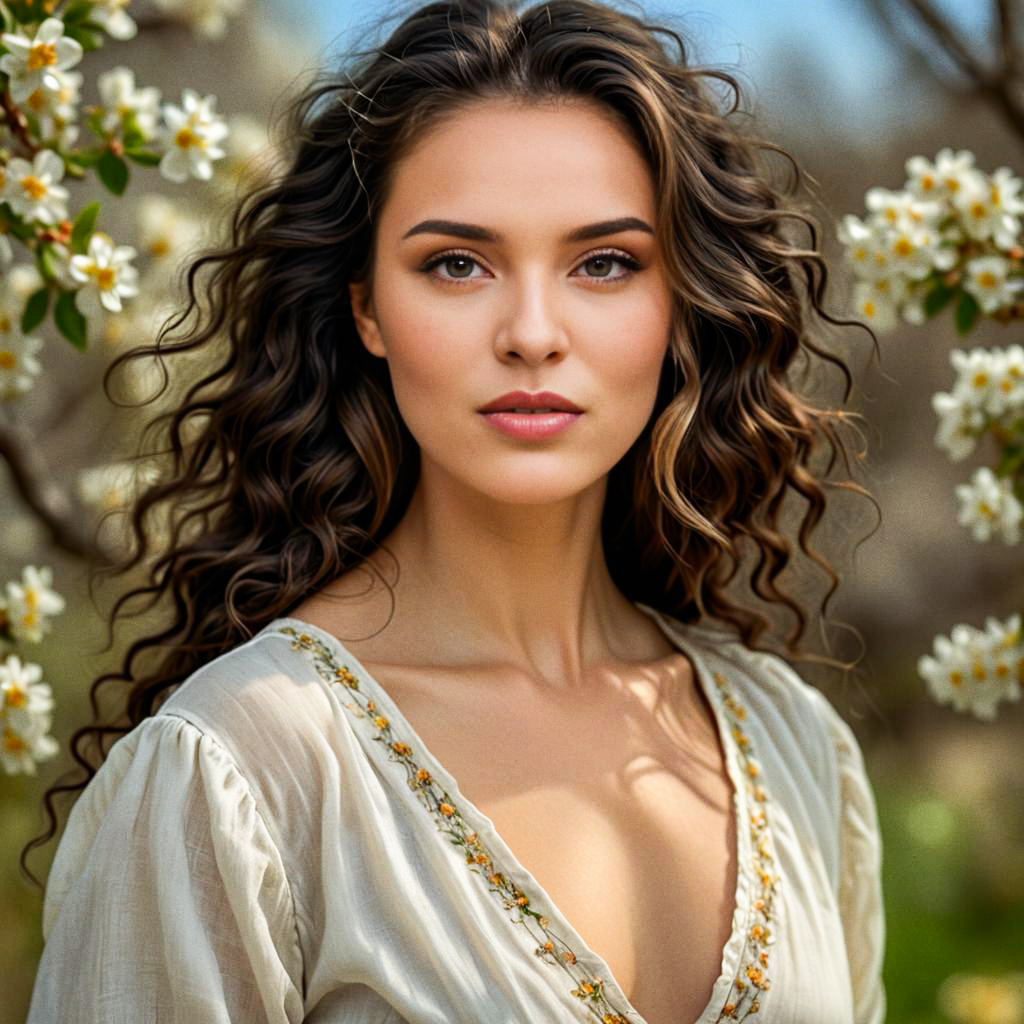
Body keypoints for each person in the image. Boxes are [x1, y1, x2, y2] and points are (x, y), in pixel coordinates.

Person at [23, 0, 886, 1021]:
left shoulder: (797, 749)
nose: (530, 332)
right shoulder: (237, 770)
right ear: (367, 309)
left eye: (603, 262)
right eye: (457, 264)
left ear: (679, 300)